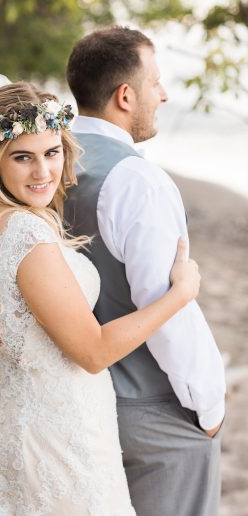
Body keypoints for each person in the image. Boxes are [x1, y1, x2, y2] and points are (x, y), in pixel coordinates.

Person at [0, 81, 201, 515]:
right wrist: (180, 293)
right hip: (63, 432)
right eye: (23, 157)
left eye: (52, 152)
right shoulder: (25, 235)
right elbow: (93, 353)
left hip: (23, 416)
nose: (43, 172)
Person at [65, 26, 226, 516]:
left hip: (76, 402)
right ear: (126, 95)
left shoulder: (45, 165)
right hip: (152, 416)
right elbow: (166, 308)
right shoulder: (137, 180)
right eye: (156, 82)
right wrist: (208, 409)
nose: (164, 94)